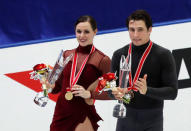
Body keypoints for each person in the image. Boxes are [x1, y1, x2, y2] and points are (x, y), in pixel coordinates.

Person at [111, 10, 178, 131]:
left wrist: (147, 90)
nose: (135, 35)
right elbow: (110, 88)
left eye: (140, 29)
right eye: (132, 30)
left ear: (150, 29)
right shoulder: (119, 54)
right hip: (125, 119)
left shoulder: (163, 55)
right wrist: (115, 92)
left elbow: (172, 93)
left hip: (152, 121)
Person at [45, 15, 111, 131]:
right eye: (78, 31)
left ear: (95, 32)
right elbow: (57, 88)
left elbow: (114, 93)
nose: (82, 36)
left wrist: (89, 94)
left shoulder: (102, 60)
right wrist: (50, 86)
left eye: (86, 32)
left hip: (82, 114)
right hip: (61, 113)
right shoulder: (66, 55)